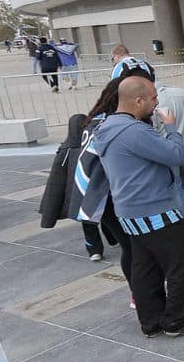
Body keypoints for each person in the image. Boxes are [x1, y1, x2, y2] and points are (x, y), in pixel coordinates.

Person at [95, 76, 184, 337]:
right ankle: (176, 320)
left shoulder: (107, 126)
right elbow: (175, 155)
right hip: (155, 210)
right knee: (183, 263)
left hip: (127, 211)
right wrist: (170, 127)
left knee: (144, 267)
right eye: (153, 98)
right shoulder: (134, 131)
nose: (156, 102)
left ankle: (150, 321)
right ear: (138, 101)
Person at [41, 79, 130, 271]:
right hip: (101, 190)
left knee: (91, 221)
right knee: (128, 244)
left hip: (85, 189)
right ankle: (107, 244)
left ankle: (94, 248)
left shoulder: (86, 128)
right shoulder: (106, 126)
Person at [152, 74, 184, 231]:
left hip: (169, 149)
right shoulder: (181, 92)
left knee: (176, 185)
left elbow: (155, 128)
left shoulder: (154, 101)